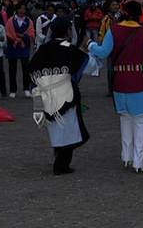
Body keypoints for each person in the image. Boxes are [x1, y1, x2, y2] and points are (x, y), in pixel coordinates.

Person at [87, 0, 143, 173]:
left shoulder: (114, 30)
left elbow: (103, 52)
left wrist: (90, 44)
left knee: (125, 118)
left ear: (122, 13)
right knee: (140, 121)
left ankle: (126, 156)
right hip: (140, 80)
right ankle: (138, 161)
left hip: (120, 81)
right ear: (140, 14)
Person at [29, 17, 94, 175]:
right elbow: (87, 66)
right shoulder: (69, 48)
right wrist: (87, 49)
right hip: (65, 96)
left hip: (46, 96)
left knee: (57, 130)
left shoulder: (42, 49)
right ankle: (61, 165)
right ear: (68, 31)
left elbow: (31, 73)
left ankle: (60, 159)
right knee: (69, 130)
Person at [5, 3, 35, 98]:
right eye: (20, 9)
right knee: (12, 69)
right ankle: (13, 90)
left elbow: (31, 34)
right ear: (17, 10)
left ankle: (26, 89)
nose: (22, 11)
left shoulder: (29, 21)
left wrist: (23, 36)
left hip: (24, 47)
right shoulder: (10, 21)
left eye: (24, 9)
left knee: (26, 69)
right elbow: (7, 33)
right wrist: (15, 39)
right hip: (13, 46)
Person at [99, 0, 121, 97]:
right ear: (109, 7)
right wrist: (101, 44)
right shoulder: (106, 18)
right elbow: (101, 31)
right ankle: (111, 90)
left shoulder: (121, 17)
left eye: (116, 4)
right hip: (110, 47)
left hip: (120, 46)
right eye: (113, 5)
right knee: (110, 69)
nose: (115, 6)